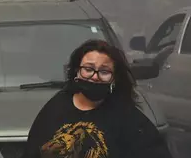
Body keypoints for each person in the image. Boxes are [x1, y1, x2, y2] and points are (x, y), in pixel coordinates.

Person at [22, 39, 172, 158]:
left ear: (114, 78)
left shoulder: (128, 118)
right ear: (76, 72)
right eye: (88, 69)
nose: (95, 77)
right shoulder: (55, 109)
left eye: (104, 71)